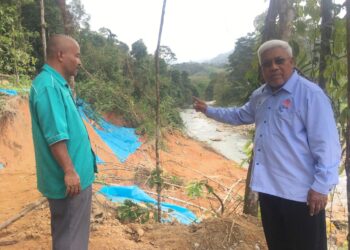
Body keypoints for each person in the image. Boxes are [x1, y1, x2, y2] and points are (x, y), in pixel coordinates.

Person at [193, 39, 341, 250]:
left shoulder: (311, 95)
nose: (273, 67)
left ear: (292, 62)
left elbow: (326, 144)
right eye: (267, 64)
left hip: (302, 196)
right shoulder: (260, 96)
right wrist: (208, 110)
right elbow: (239, 115)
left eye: (279, 61)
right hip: (269, 192)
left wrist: (321, 186)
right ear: (262, 69)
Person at [29, 34, 97, 250]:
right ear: (60, 55)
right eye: (76, 55)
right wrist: (69, 170)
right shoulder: (49, 86)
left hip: (76, 179)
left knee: (68, 234)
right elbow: (55, 135)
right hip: (70, 183)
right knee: (71, 239)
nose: (79, 61)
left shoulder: (57, 84)